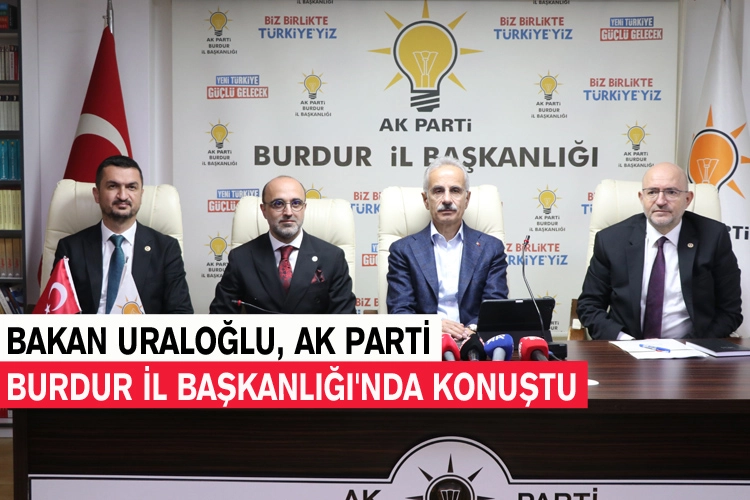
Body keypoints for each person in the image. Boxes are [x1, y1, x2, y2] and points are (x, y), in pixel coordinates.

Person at [577, 162, 742, 340]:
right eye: (652, 192)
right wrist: (624, 341)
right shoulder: (611, 240)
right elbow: (589, 305)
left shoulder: (713, 237)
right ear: (641, 198)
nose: (661, 201)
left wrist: (694, 345)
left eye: (671, 192)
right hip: (626, 347)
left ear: (688, 199)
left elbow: (729, 311)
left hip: (692, 348)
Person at [386, 157, 509, 342]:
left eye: (455, 191)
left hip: (474, 342)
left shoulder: (491, 248)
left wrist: (470, 331)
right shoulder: (403, 251)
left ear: (466, 199)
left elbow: (494, 308)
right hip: (425, 343)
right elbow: (399, 311)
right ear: (426, 200)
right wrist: (433, 327)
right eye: (438, 191)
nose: (446, 199)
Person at [54, 155, 193, 314]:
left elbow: (181, 313)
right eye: (113, 186)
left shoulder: (166, 249)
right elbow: (57, 311)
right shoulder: (70, 248)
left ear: (141, 195)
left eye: (131, 187)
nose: (123, 196)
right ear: (97, 194)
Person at [209, 175, 356, 314]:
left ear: (304, 208)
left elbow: (345, 320)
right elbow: (220, 317)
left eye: (296, 203)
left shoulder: (332, 257)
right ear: (264, 210)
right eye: (278, 204)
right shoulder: (241, 258)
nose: (288, 212)